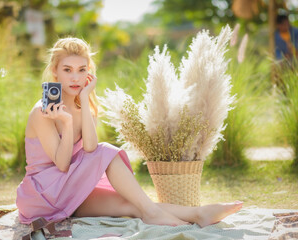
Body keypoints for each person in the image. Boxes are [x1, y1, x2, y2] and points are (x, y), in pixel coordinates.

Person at [16, 37, 243, 229]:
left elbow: (90, 149)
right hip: (43, 194)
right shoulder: (41, 111)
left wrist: (84, 100)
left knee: (130, 205)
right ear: (55, 71)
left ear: (88, 73)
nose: (75, 77)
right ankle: (160, 214)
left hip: (68, 186)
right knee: (108, 151)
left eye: (81, 70)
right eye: (67, 70)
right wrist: (65, 123)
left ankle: (198, 214)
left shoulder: (85, 105)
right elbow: (63, 164)